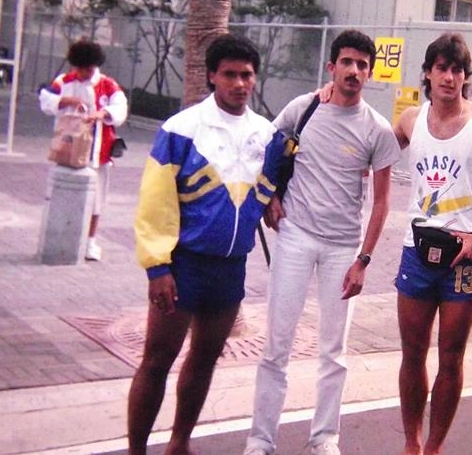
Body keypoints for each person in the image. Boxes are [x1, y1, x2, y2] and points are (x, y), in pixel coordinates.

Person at [245, 30, 401, 455]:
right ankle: (261, 439)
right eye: (346, 62)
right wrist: (270, 199)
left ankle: (324, 438)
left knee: (334, 350)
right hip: (294, 236)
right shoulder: (303, 107)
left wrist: (363, 260)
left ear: (370, 73)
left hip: (342, 248)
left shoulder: (377, 129)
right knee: (277, 344)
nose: (354, 71)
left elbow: (383, 203)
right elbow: (266, 151)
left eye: (362, 65)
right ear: (331, 66)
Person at [126, 34, 285, 455]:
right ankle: (136, 450)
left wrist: (271, 200)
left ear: (255, 79)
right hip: (183, 266)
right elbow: (154, 202)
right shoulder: (180, 129)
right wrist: (157, 267)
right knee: (157, 360)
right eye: (229, 74)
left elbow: (272, 181)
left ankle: (179, 443)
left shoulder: (266, 134)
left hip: (230, 268)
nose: (238, 83)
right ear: (212, 75)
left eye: (246, 75)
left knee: (203, 360)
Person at [393, 33, 472, 455]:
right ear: (428, 73)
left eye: (457, 69)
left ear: (465, 76)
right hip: (416, 251)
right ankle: (412, 442)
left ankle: (434, 447)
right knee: (412, 352)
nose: (449, 76)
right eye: (441, 68)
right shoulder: (410, 120)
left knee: (451, 357)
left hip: (464, 257)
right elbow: (374, 151)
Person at [39, 39, 128, 261]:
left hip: (99, 151)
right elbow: (45, 99)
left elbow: (120, 108)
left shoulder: (108, 85)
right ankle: (63, 235)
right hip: (68, 150)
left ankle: (90, 241)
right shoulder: (64, 81)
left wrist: (100, 114)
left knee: (97, 198)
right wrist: (67, 100)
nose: (85, 73)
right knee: (64, 192)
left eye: (89, 69)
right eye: (81, 68)